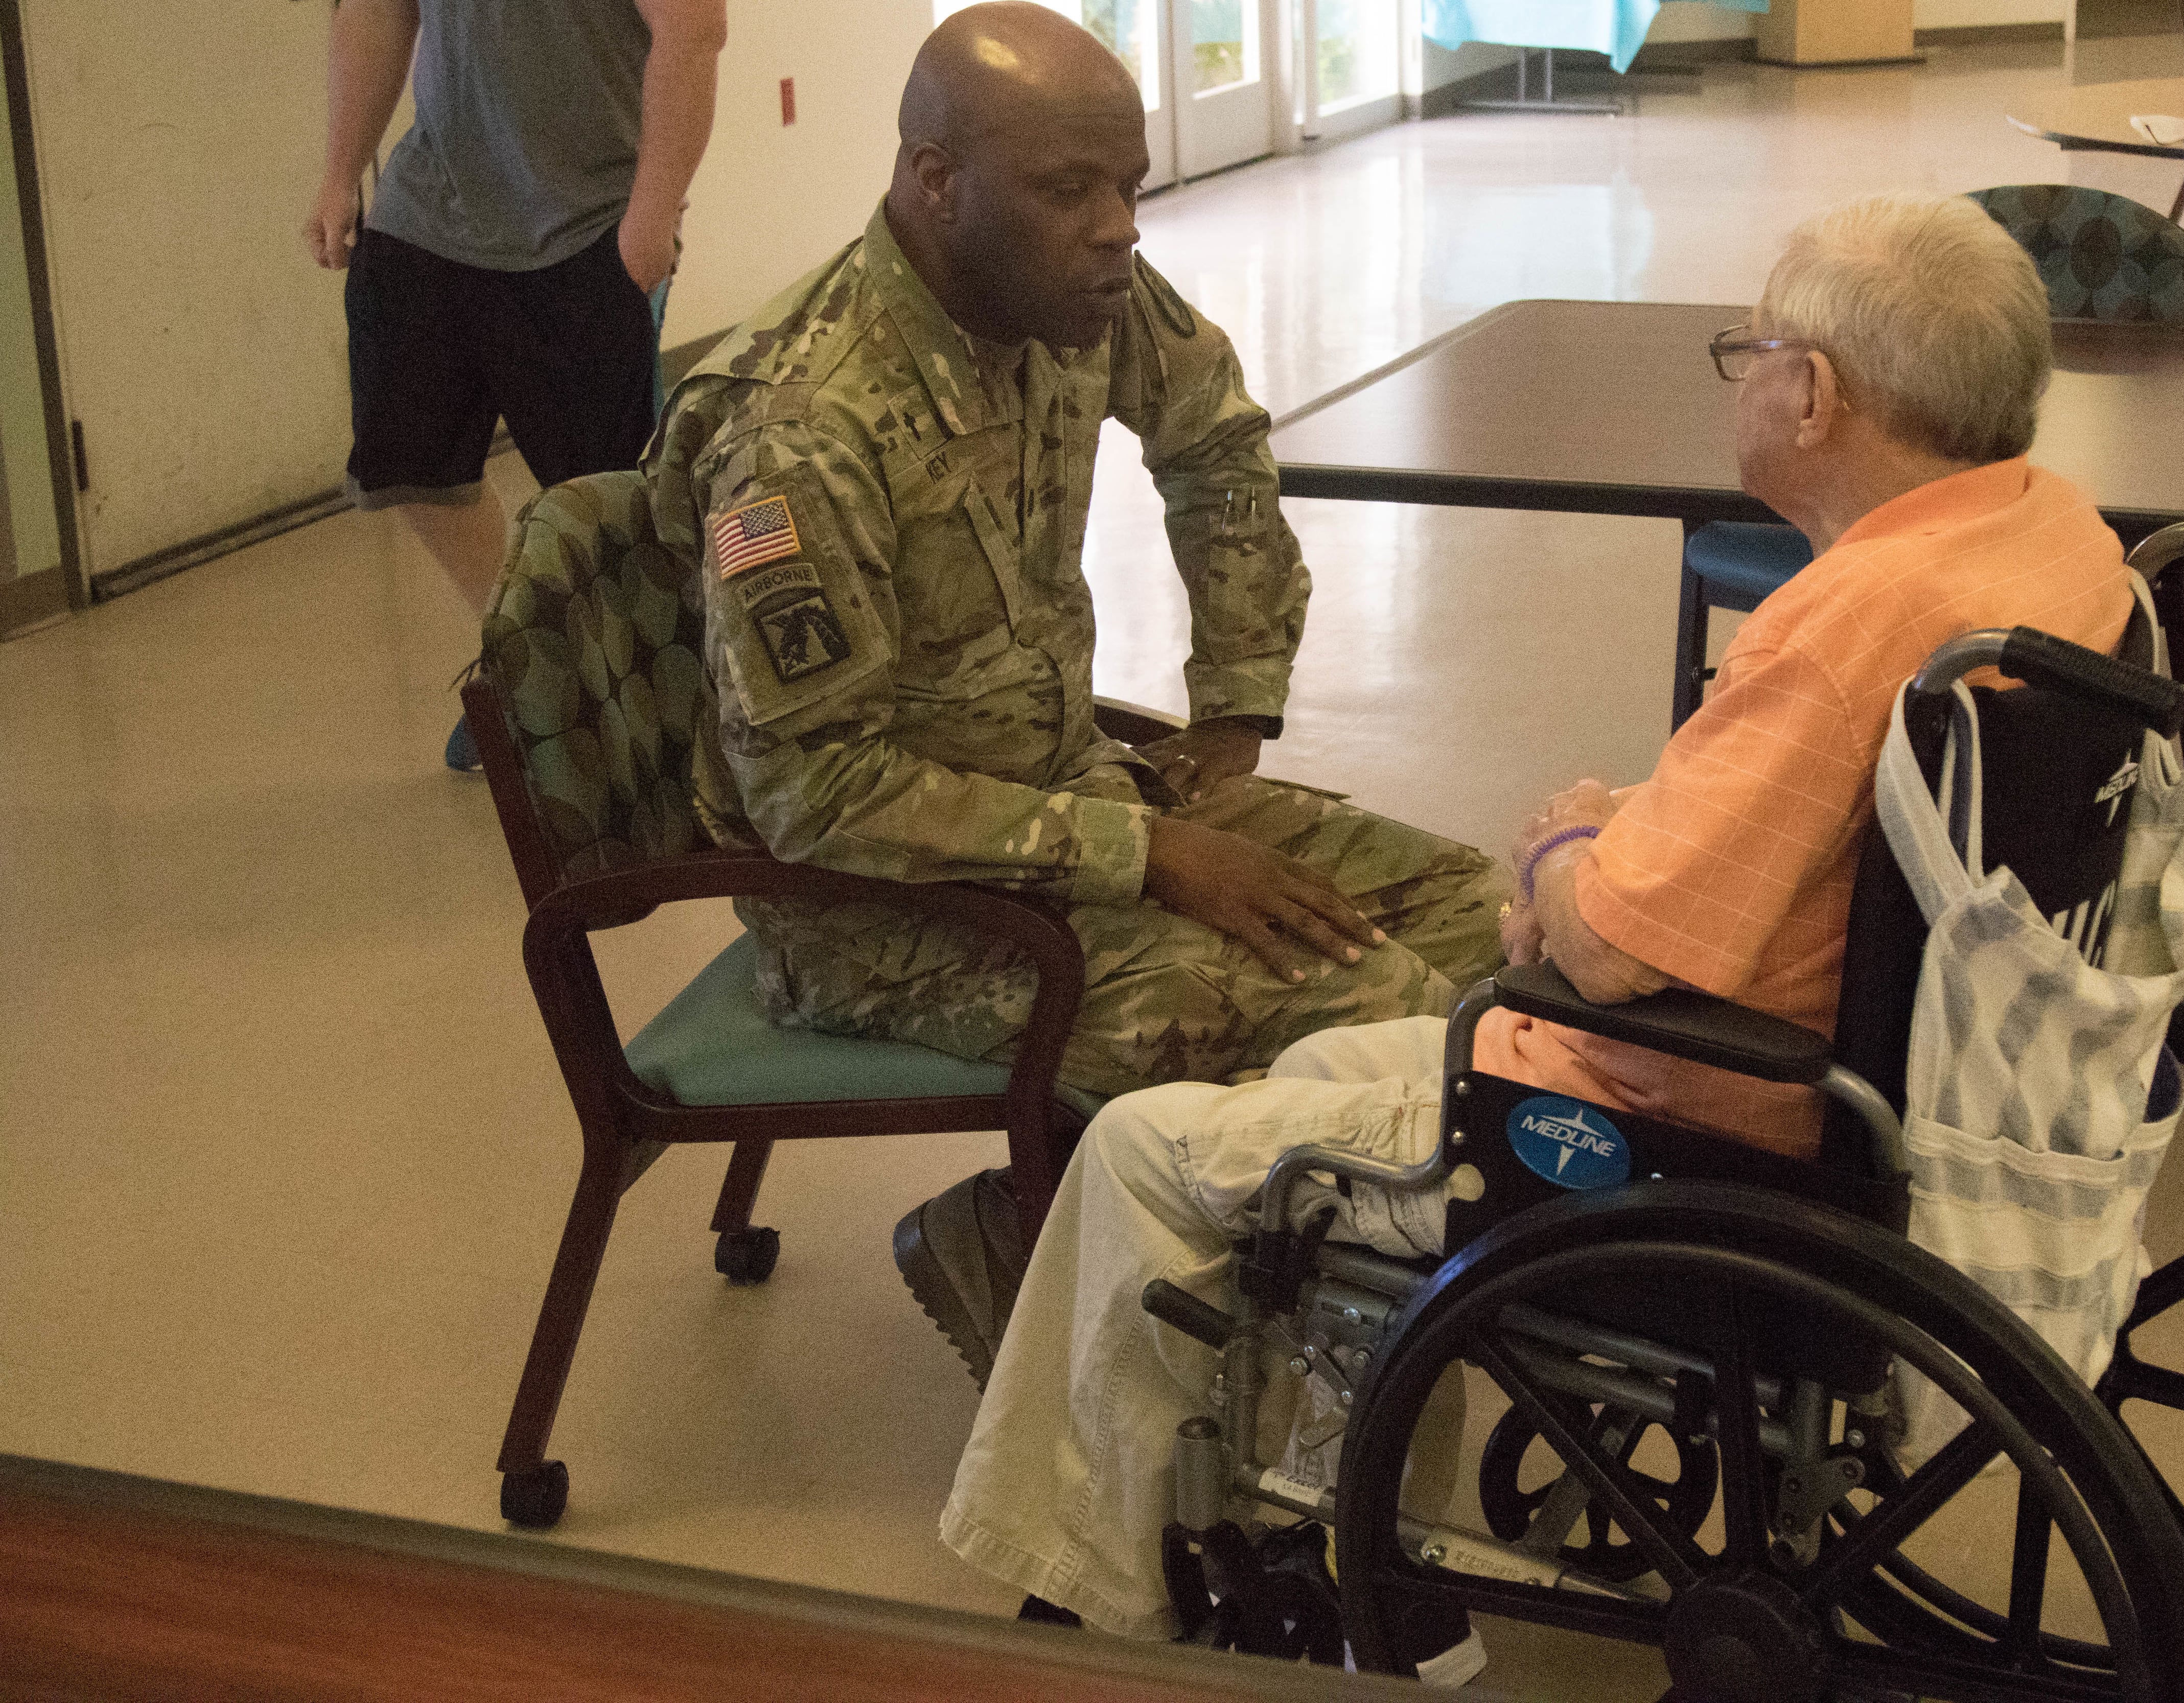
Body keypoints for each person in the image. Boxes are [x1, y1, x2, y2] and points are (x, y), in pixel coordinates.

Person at [934, 193, 2138, 1671]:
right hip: (1888, 1087)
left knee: (1139, 1150)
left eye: (1746, 351)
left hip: (1685, 1125)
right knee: (1319, 1064)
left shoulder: (1840, 631)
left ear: (1814, 394)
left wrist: (1563, 848)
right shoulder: (2057, 537)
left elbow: (1622, 955)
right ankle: (1344, 1532)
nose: (1742, 375)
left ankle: (1090, 1604)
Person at [640, 3, 1504, 1383]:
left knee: (1488, 917)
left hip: (1073, 803)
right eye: (1070, 190)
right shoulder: (805, 428)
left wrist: (1233, 695)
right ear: (937, 186)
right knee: (1382, 1014)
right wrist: (1149, 848)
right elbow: (812, 796)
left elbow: (1212, 434)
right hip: (883, 910)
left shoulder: (1064, 287)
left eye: (1132, 188)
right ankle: (1070, 1250)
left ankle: (1322, 1265)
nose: (1119, 229)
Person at [304, 0, 727, 770]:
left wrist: (654, 207)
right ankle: (533, 652)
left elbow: (693, 30)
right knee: (407, 460)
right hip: (432, 203)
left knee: (605, 496)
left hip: (589, 216)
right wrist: (339, 171)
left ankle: (661, 704)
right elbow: (378, 9)